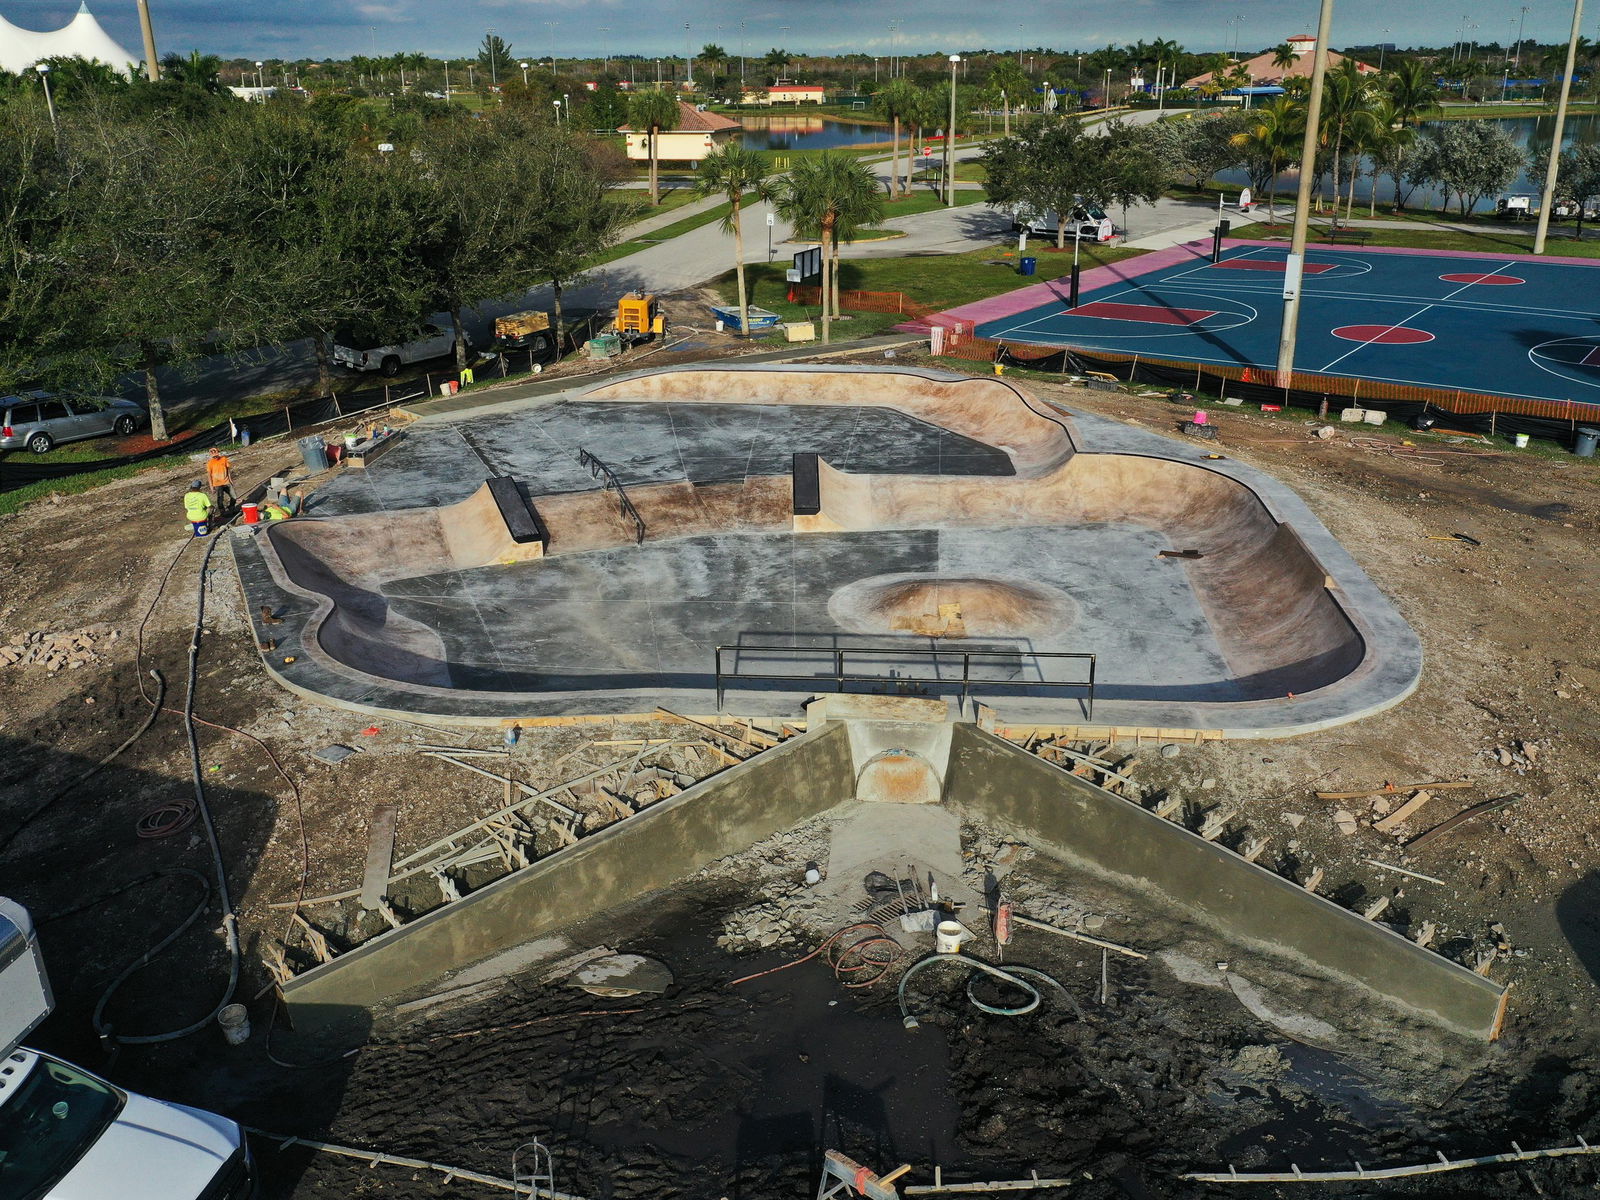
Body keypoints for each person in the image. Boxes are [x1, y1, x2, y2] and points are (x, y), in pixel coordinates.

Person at [206, 447, 234, 513]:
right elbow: (209, 476)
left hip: (226, 482)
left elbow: (228, 470)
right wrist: (211, 487)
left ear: (218, 453)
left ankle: (231, 507)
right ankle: (222, 511)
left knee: (234, 496)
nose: (215, 457)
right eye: (213, 456)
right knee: (220, 498)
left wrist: (230, 479)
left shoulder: (224, 459)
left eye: (215, 455)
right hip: (217, 484)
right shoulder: (210, 463)